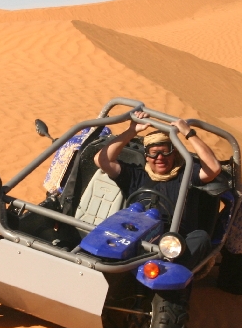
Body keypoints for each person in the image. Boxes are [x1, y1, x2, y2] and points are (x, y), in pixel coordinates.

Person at [94, 111, 222, 269]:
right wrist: (131, 130)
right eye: (154, 153)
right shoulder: (136, 176)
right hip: (134, 237)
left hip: (171, 246)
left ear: (174, 153)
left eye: (165, 152)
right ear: (146, 156)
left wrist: (188, 133)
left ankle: (168, 275)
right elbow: (102, 160)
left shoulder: (186, 174)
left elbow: (214, 168)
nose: (160, 157)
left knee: (200, 237)